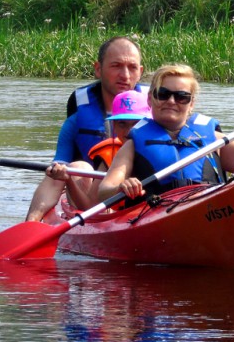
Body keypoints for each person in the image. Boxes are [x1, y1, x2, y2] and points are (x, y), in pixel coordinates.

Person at [98, 63, 234, 202]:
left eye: (181, 96)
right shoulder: (133, 144)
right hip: (157, 211)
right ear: (151, 99)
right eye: (163, 94)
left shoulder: (213, 140)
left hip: (209, 207)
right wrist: (123, 187)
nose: (171, 101)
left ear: (191, 104)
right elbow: (103, 191)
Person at [25, 37, 145, 221]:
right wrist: (62, 174)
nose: (125, 75)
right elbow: (56, 171)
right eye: (116, 66)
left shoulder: (160, 113)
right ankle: (30, 225)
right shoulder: (76, 121)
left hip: (142, 195)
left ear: (141, 71)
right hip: (92, 198)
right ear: (98, 69)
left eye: (132, 67)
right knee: (74, 167)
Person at [45, 89, 151, 210]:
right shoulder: (108, 155)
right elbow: (89, 207)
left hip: (155, 208)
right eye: (122, 124)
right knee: (78, 166)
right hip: (119, 216)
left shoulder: (162, 146)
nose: (128, 131)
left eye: (136, 123)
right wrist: (68, 181)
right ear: (114, 127)